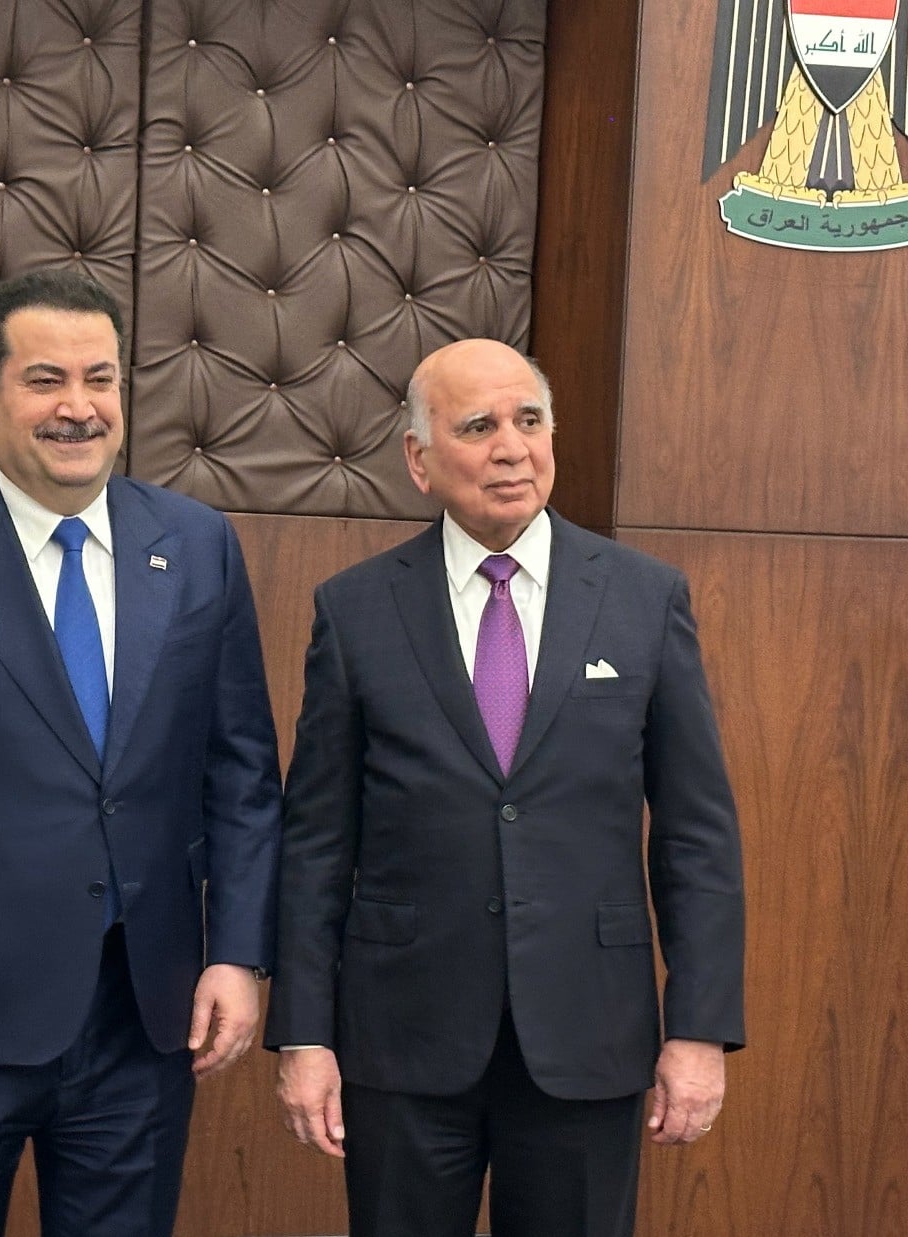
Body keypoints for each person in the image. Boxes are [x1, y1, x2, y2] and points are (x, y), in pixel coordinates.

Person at [266, 338, 745, 1237]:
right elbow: (317, 841)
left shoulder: (643, 599)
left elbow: (696, 833)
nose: (512, 448)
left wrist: (700, 1028)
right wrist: (304, 1032)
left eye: (529, 420)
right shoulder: (356, 609)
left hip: (588, 1038)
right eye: (479, 426)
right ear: (420, 459)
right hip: (403, 1039)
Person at [0, 268, 282, 1237]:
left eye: (100, 378)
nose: (78, 407)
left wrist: (239, 953)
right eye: (45, 380)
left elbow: (242, 775)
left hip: (143, 1012)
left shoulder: (197, 545)